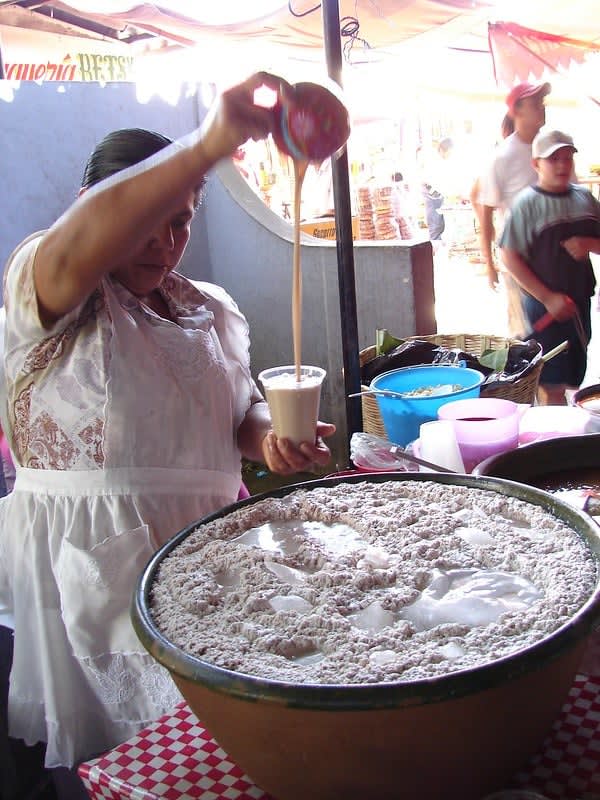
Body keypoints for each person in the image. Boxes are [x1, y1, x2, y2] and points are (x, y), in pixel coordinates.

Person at [0, 70, 336, 781]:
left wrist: (266, 441)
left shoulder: (206, 305)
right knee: (122, 764)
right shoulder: (51, 294)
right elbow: (77, 247)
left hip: (203, 556)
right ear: (92, 210)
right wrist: (211, 140)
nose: (165, 242)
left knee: (207, 753)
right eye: (145, 222)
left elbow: (236, 410)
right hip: (91, 567)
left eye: (182, 220)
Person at [499, 128, 600, 405]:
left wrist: (587, 243)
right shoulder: (526, 205)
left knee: (574, 377)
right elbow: (508, 256)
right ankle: (557, 442)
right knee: (551, 382)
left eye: (568, 158)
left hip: (579, 303)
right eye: (553, 159)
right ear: (536, 164)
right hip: (543, 308)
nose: (562, 165)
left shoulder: (586, 199)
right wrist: (548, 297)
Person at [476, 81, 551, 292]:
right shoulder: (501, 157)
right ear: (516, 109)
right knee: (524, 324)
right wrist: (490, 264)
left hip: (555, 258)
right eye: (535, 101)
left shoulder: (554, 149)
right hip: (520, 264)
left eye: (542, 101)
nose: (542, 106)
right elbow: (486, 214)